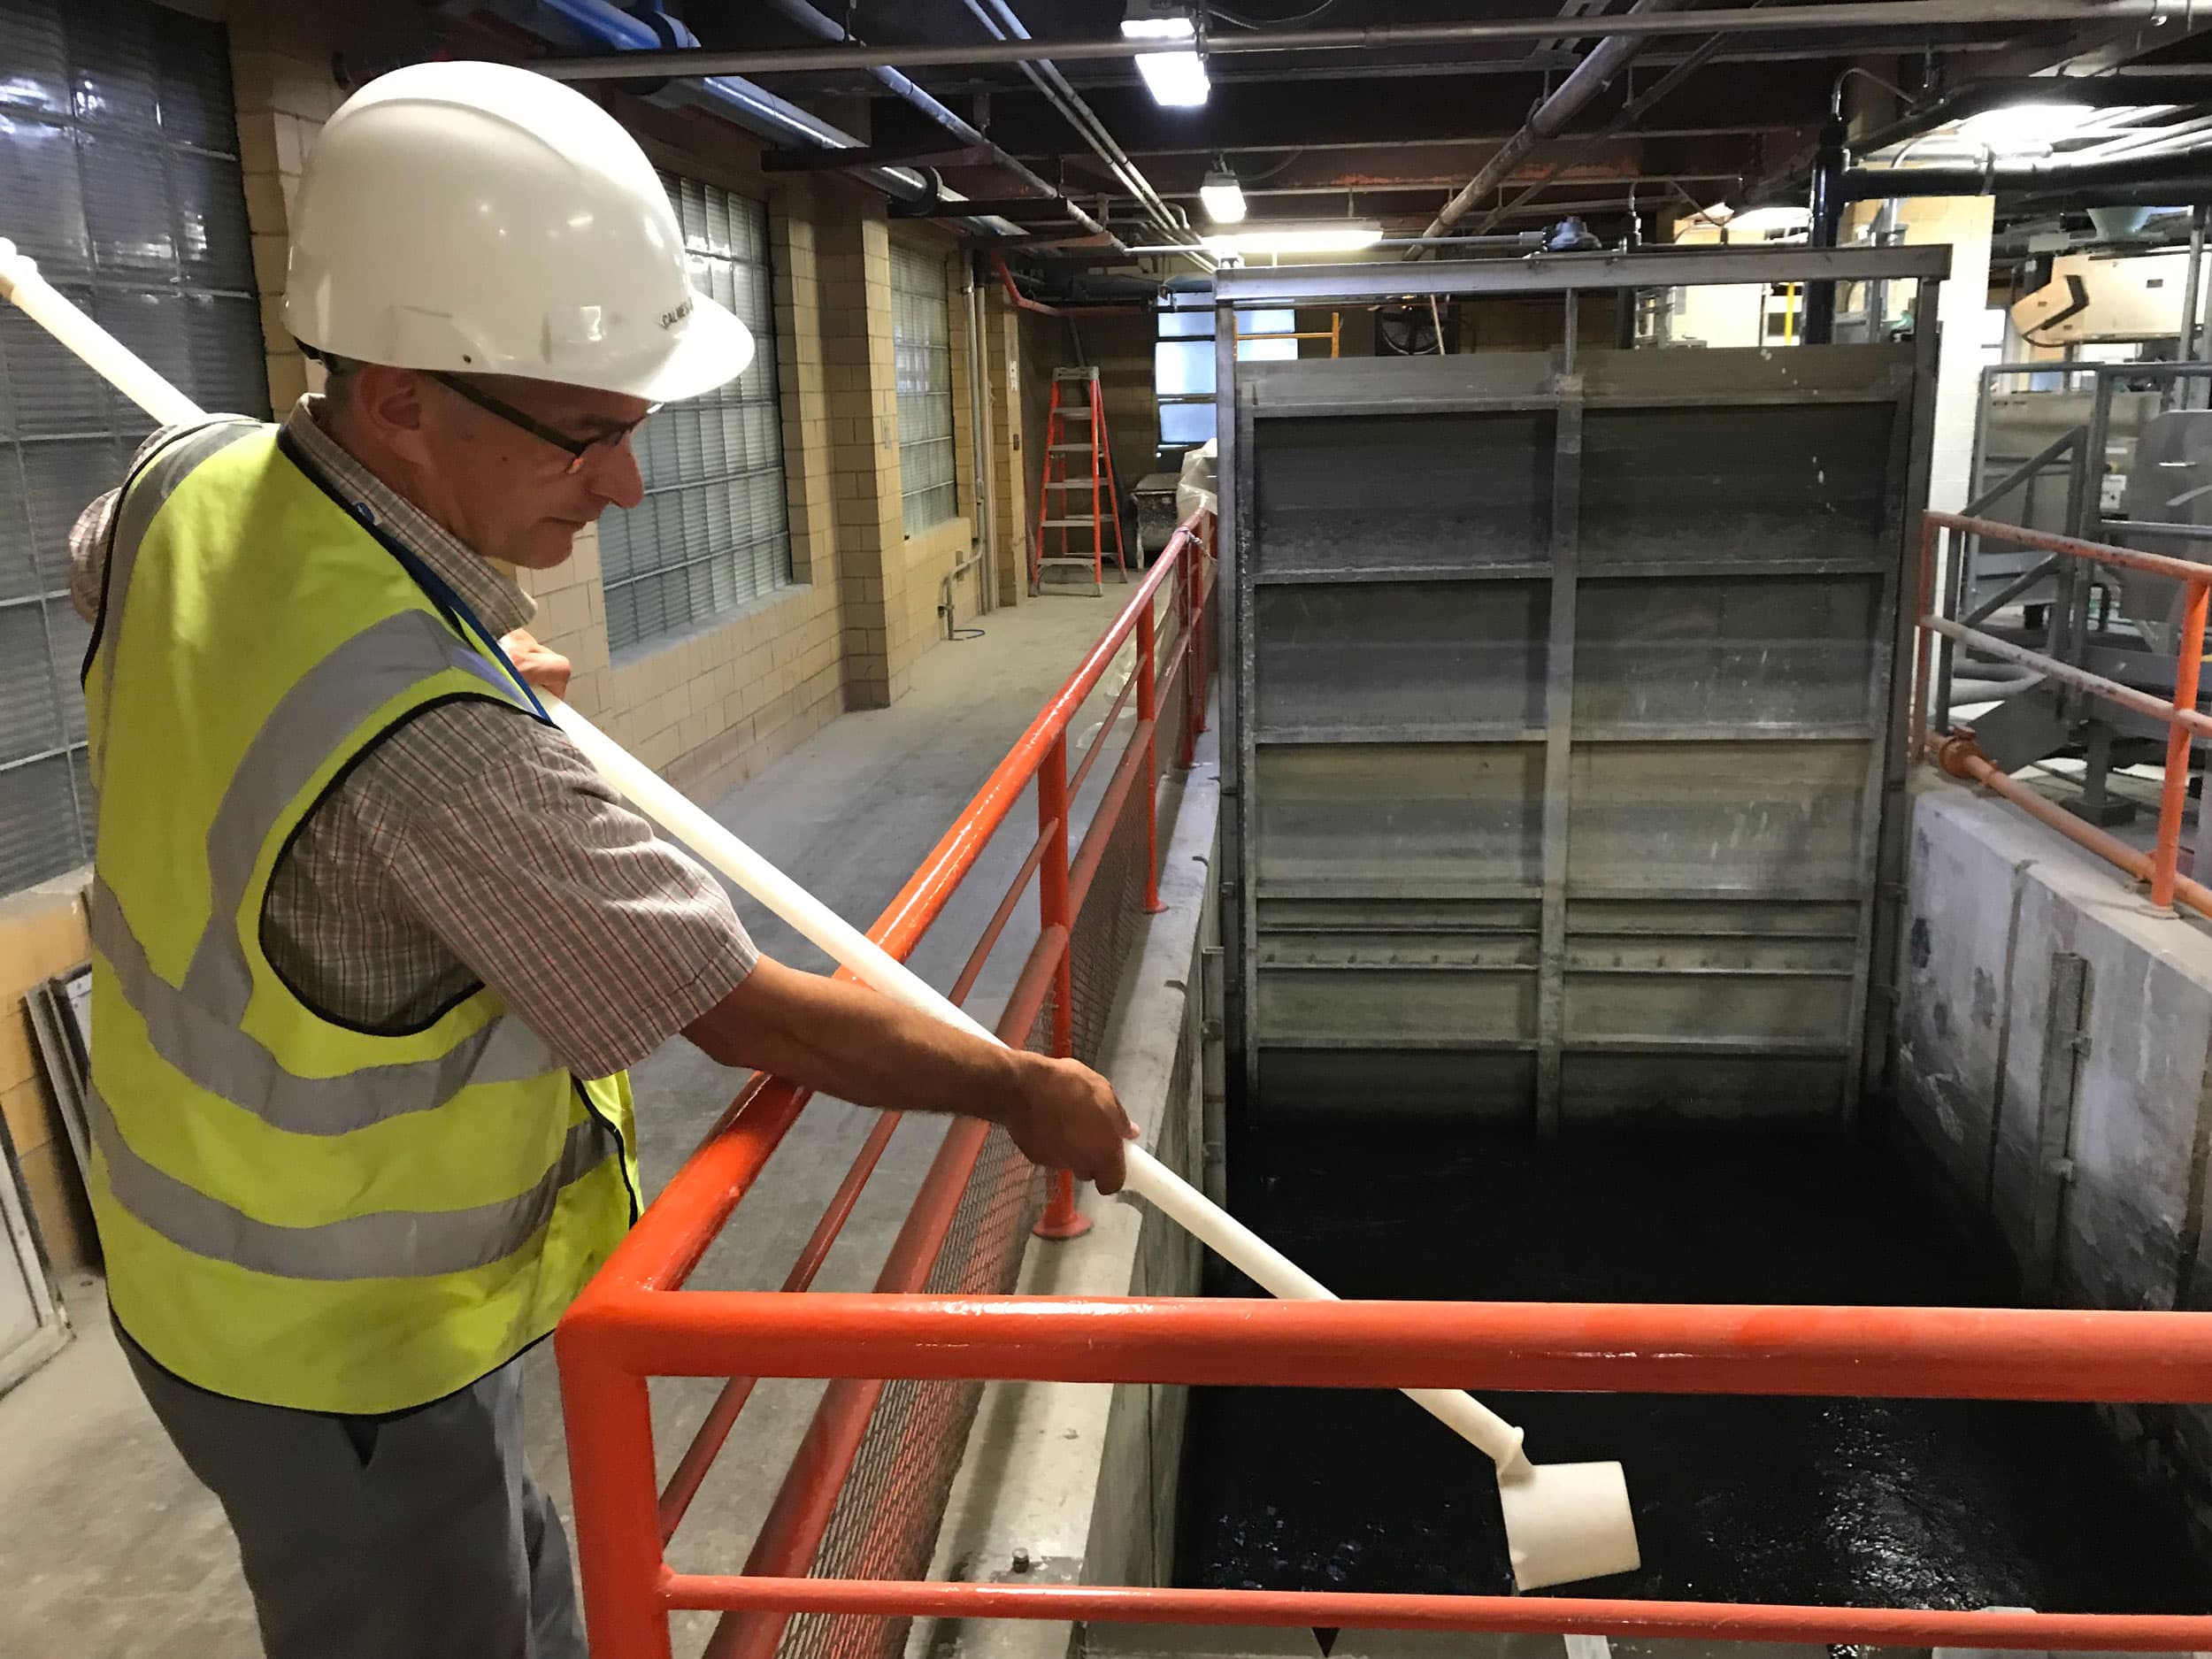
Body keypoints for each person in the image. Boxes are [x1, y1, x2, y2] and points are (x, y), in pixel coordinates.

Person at [69, 59, 1133, 1659]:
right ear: (399, 401)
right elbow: (739, 1012)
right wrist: (1012, 1085)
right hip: (338, 1345)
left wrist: (450, 656)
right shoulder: (444, 762)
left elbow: (109, 575)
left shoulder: (186, 481)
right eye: (585, 436)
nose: (627, 484)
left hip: (188, 1248)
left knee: (513, 1576)